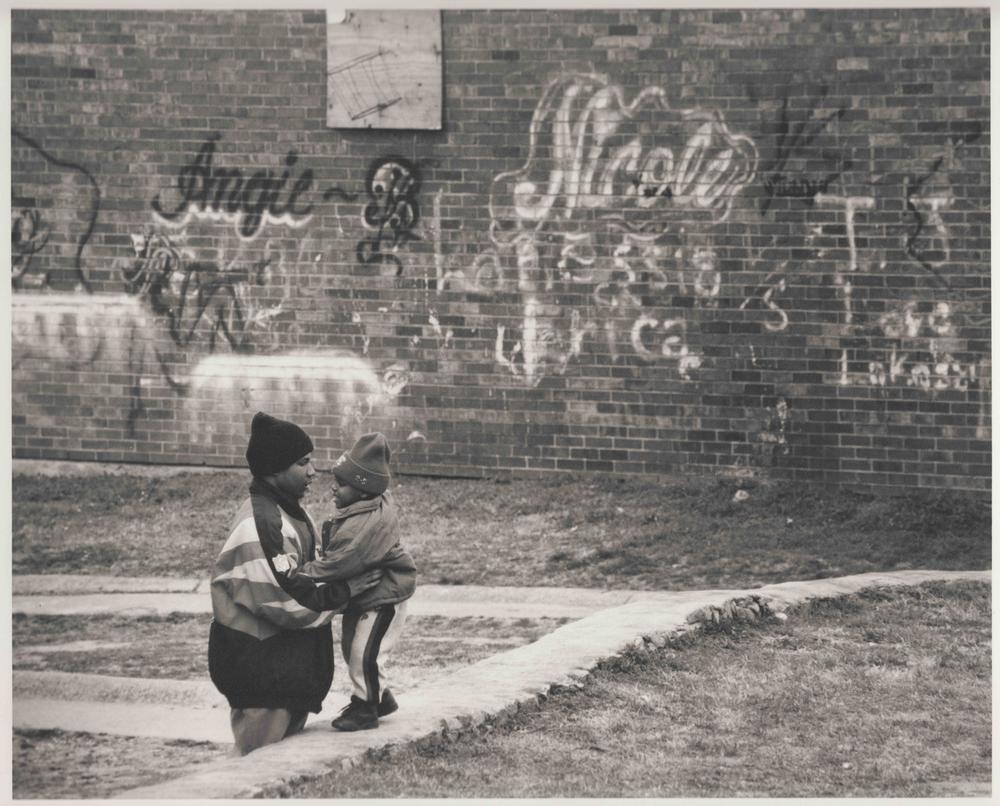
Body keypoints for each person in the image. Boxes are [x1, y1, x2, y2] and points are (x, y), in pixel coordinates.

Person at [207, 411, 382, 755]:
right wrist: (346, 593)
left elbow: (312, 574)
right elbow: (291, 602)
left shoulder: (290, 514)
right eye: (303, 463)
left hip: (283, 676)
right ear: (275, 467)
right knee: (258, 771)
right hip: (262, 679)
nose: (313, 472)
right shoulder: (261, 525)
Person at [286, 432, 417, 732]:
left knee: (364, 653)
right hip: (368, 596)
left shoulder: (365, 529)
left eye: (342, 484)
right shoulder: (369, 502)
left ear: (362, 489)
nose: (333, 487)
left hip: (385, 597)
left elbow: (339, 563)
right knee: (353, 649)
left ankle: (366, 708)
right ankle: (379, 696)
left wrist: (304, 571)